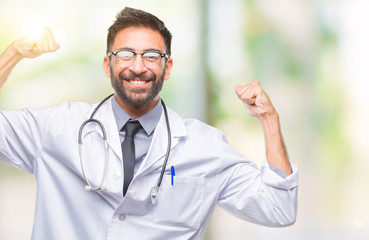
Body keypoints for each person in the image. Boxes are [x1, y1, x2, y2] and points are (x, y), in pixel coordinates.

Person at [0, 7, 298, 240]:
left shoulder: (204, 145)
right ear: (108, 65)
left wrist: (269, 120)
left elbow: (278, 208)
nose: (138, 66)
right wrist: (13, 54)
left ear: (167, 67)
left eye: (152, 55)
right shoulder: (57, 128)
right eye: (126, 54)